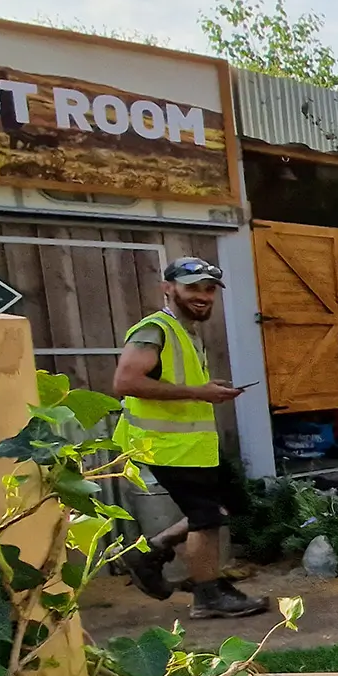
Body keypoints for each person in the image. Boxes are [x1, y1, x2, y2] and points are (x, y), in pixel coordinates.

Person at [112, 257, 268, 618]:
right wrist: (199, 393)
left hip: (192, 446)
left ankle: (152, 550)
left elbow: (174, 383)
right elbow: (126, 383)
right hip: (167, 447)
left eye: (209, 289)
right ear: (169, 289)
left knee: (231, 502)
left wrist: (207, 390)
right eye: (192, 287)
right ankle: (208, 596)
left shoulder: (185, 331)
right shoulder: (154, 330)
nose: (202, 296)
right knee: (206, 517)